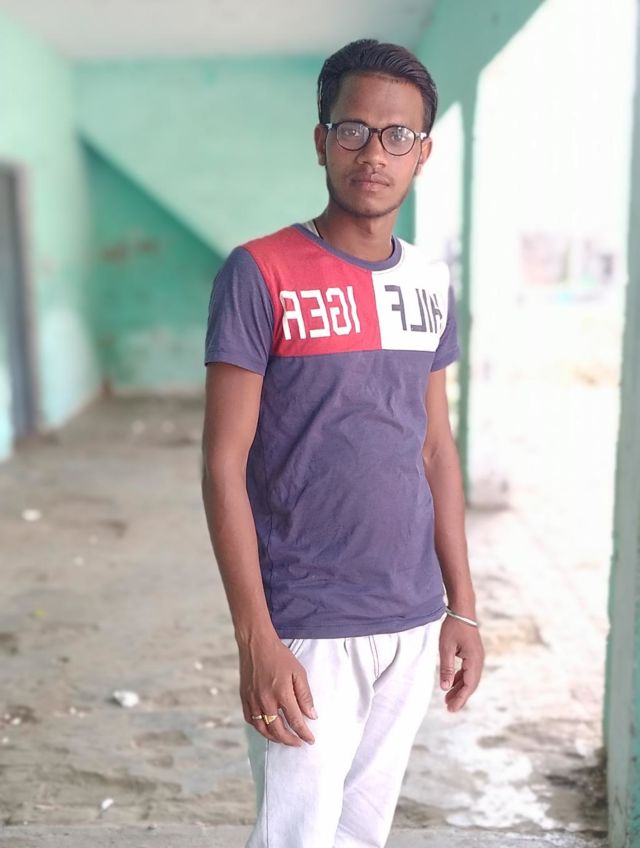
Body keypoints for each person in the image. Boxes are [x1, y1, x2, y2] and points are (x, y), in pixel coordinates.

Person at [201, 37, 484, 848]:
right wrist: (256, 639)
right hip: (307, 621)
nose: (374, 153)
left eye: (398, 135)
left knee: (361, 837)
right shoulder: (260, 272)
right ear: (322, 139)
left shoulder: (429, 282)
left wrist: (461, 608)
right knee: (294, 838)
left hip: (411, 619)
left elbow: (436, 451)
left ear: (423, 152)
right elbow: (222, 464)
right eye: (354, 130)